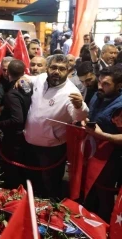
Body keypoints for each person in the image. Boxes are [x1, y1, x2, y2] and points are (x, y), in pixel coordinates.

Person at [22, 54, 89, 198]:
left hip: (51, 148)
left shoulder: (71, 92)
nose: (56, 72)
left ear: (69, 71)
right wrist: (23, 79)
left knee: (50, 185)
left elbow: (78, 117)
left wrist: (80, 106)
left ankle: (49, 214)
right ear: (47, 68)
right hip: (29, 142)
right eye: (53, 67)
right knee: (32, 180)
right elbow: (30, 79)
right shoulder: (41, 79)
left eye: (61, 69)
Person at [84, 65, 122, 221]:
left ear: (119, 86)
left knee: (104, 197)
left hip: (111, 160)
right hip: (92, 154)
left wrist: (102, 135)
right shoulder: (97, 95)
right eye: (99, 82)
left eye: (106, 84)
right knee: (89, 192)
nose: (100, 86)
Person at [0, 60, 32, 189]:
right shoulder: (26, 85)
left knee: (13, 172)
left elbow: (17, 119)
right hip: (25, 135)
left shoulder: (11, 94)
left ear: (8, 73)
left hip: (14, 139)